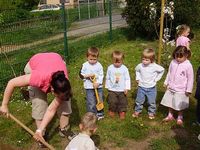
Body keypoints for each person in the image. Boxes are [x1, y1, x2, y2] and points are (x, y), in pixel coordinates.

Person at [0, 52, 76, 144]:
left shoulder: (63, 81)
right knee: (39, 102)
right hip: (35, 65)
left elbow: (51, 109)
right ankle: (41, 134)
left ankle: (64, 129)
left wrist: (62, 98)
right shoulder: (38, 77)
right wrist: (4, 105)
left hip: (55, 60)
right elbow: (11, 83)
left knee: (65, 100)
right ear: (52, 90)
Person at [161, 46, 194, 126]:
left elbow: (190, 79)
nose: (178, 58)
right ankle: (170, 115)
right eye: (176, 56)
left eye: (181, 56)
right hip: (171, 87)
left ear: (186, 55)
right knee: (170, 101)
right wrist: (166, 82)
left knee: (180, 104)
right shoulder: (173, 62)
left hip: (181, 89)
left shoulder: (188, 65)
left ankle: (180, 116)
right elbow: (169, 73)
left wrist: (188, 90)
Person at [132, 48, 164, 119]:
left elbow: (162, 70)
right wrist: (138, 78)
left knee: (151, 101)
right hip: (141, 87)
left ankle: (151, 112)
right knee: (139, 100)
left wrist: (157, 79)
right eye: (143, 59)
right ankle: (137, 110)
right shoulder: (140, 65)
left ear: (151, 60)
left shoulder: (155, 66)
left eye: (147, 60)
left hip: (151, 88)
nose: (144, 61)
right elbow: (137, 70)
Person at [80, 47, 104, 120]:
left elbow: (101, 75)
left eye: (95, 59)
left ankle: (100, 113)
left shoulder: (99, 65)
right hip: (89, 87)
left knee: (99, 100)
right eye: (91, 59)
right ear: (87, 57)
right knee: (91, 101)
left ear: (97, 58)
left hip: (98, 87)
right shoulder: (84, 65)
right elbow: (81, 75)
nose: (93, 61)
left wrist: (98, 82)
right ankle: (91, 114)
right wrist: (87, 75)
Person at [105, 50, 131, 119]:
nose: (117, 64)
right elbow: (107, 78)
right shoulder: (110, 68)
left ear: (122, 60)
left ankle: (122, 111)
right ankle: (112, 110)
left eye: (119, 62)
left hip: (122, 89)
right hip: (112, 89)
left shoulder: (124, 69)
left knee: (123, 101)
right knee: (112, 101)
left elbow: (127, 79)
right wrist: (107, 86)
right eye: (115, 62)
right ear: (112, 60)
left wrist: (127, 88)